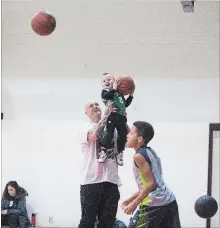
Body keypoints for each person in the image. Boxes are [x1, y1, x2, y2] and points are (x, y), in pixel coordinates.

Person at [122, 121, 181, 228]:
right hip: (169, 201)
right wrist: (131, 198)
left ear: (139, 139)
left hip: (154, 205)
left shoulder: (138, 156)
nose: (127, 135)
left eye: (130, 133)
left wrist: (134, 203)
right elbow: (149, 184)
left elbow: (151, 184)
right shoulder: (150, 152)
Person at [78, 100, 122, 228]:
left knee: (108, 223)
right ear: (86, 112)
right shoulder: (84, 127)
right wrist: (105, 117)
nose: (95, 106)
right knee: (87, 222)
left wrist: (122, 115)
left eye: (97, 104)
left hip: (111, 181)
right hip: (91, 182)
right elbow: (94, 136)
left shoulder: (112, 128)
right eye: (91, 106)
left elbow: (126, 137)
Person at [100, 73, 135, 166]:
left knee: (122, 136)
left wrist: (131, 95)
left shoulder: (120, 94)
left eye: (109, 79)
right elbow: (107, 96)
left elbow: (125, 104)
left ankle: (120, 152)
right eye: (104, 81)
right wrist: (114, 89)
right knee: (109, 133)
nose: (106, 81)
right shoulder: (105, 91)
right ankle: (104, 150)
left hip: (122, 117)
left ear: (116, 82)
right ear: (102, 85)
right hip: (112, 116)